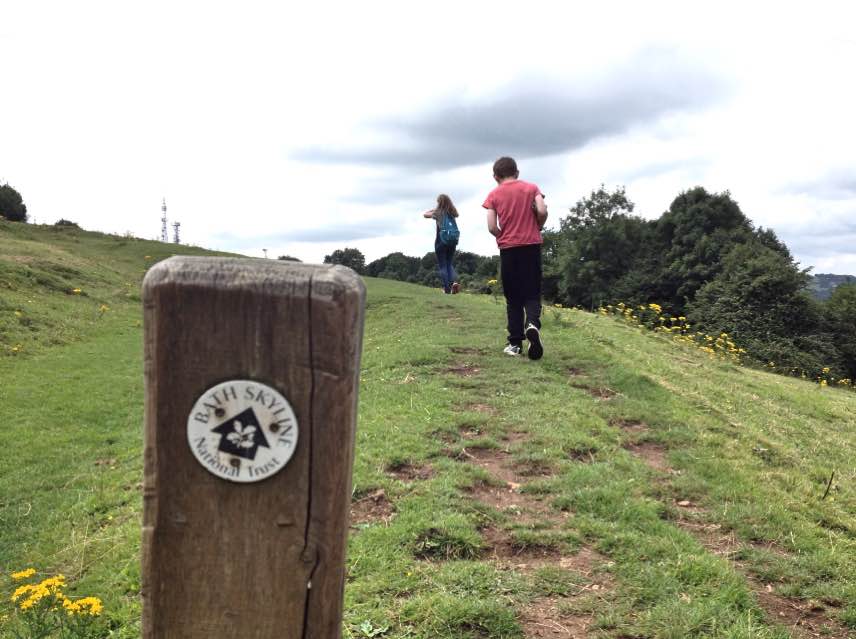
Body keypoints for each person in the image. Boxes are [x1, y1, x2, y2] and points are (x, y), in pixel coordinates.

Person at [482, 157, 548, 359]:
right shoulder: (532, 188)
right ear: (517, 172)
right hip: (531, 246)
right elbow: (543, 210)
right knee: (532, 293)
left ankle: (515, 344)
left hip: (509, 249)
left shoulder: (493, 194)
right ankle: (532, 324)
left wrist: (502, 236)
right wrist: (538, 225)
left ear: (495, 176)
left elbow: (492, 226)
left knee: (513, 298)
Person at [423, 194, 460, 294]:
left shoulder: (438, 212)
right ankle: (453, 283)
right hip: (452, 241)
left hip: (441, 241)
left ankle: (447, 289)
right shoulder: (452, 212)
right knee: (449, 263)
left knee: (443, 265)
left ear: (439, 203)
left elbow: (425, 214)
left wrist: (434, 209)